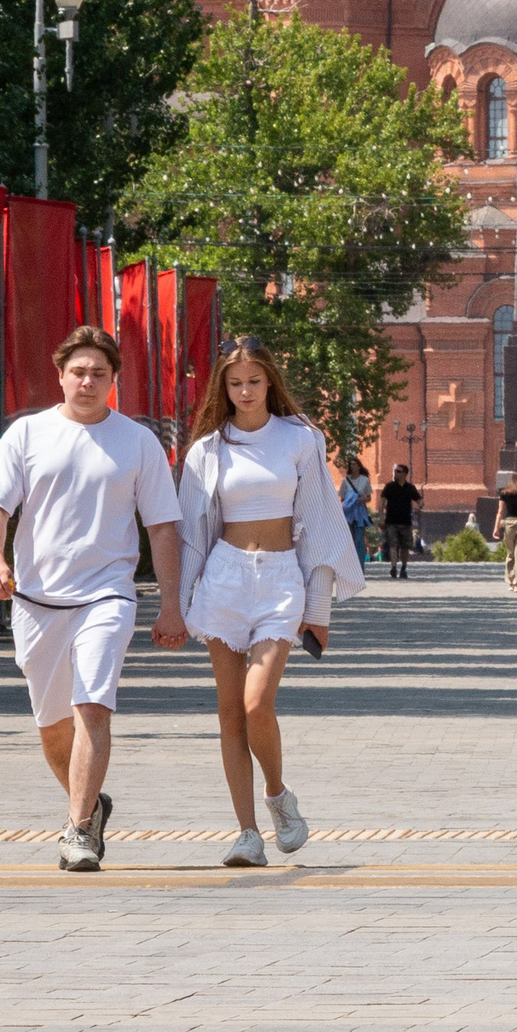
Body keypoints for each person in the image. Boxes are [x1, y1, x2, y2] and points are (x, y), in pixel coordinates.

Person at [0, 325, 187, 873]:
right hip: (37, 600)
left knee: (92, 703)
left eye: (99, 373)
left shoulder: (137, 442)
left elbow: (163, 526)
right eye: (78, 372)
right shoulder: (27, 435)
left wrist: (171, 605)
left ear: (114, 380)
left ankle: (76, 833)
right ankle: (90, 805)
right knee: (52, 726)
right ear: (60, 376)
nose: (87, 382)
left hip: (107, 595)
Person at [176, 336, 366, 867]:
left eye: (254, 382)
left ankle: (279, 796)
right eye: (235, 384)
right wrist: (177, 605)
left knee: (258, 703)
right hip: (224, 581)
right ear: (223, 387)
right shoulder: (207, 450)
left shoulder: (300, 439)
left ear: (269, 381)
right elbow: (192, 533)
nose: (245, 392)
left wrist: (319, 610)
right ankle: (246, 833)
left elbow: (324, 526)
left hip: (282, 579)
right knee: (229, 712)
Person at [379, 462, 422, 581]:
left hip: (406, 522)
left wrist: (419, 507)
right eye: (395, 471)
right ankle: (393, 566)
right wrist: (381, 518)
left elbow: (420, 500)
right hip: (391, 521)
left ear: (404, 474)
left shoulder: (410, 488)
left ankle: (403, 567)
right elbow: (381, 503)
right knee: (393, 545)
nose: (395, 473)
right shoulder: (389, 487)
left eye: (398, 471)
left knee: (405, 547)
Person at [340, 453, 375, 566]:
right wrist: (349, 500)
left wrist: (363, 499)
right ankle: (349, 564)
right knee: (348, 539)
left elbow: (369, 497)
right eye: (351, 465)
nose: (352, 466)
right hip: (348, 512)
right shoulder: (345, 481)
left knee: (359, 539)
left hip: (360, 512)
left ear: (359, 466)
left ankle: (360, 565)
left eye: (354, 464)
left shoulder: (364, 480)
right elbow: (342, 497)